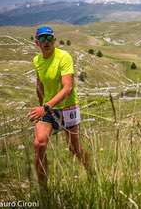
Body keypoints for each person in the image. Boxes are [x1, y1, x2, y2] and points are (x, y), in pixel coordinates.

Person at [28, 26, 90, 189]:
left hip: (68, 107)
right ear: (37, 43)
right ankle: (44, 189)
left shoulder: (64, 57)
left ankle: (91, 172)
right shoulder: (37, 61)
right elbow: (39, 84)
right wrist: (42, 105)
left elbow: (68, 87)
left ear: (54, 41)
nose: (46, 42)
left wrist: (45, 107)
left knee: (74, 148)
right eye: (42, 39)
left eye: (49, 38)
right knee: (39, 144)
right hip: (48, 108)